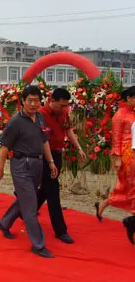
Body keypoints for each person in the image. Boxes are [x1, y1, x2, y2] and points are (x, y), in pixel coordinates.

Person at [0, 86, 58, 258]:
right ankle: (38, 244)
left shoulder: (40, 117)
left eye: (36, 100)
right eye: (29, 100)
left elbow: (44, 141)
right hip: (21, 166)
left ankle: (4, 222)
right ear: (22, 101)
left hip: (38, 163)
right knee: (30, 206)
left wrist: (51, 162)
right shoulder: (15, 122)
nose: (33, 103)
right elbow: (4, 147)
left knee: (26, 198)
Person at [30, 88, 86, 244]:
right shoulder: (41, 114)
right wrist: (50, 161)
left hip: (57, 154)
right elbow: (41, 139)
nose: (64, 109)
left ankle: (26, 211)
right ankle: (60, 230)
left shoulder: (63, 113)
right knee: (53, 191)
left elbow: (68, 131)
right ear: (51, 101)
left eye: (66, 105)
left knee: (47, 189)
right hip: (43, 157)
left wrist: (79, 148)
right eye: (61, 105)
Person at [95, 86, 135, 244]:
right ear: (130, 98)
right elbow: (116, 138)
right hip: (127, 156)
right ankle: (132, 219)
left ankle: (104, 203)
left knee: (127, 187)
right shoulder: (120, 115)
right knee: (130, 186)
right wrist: (117, 158)